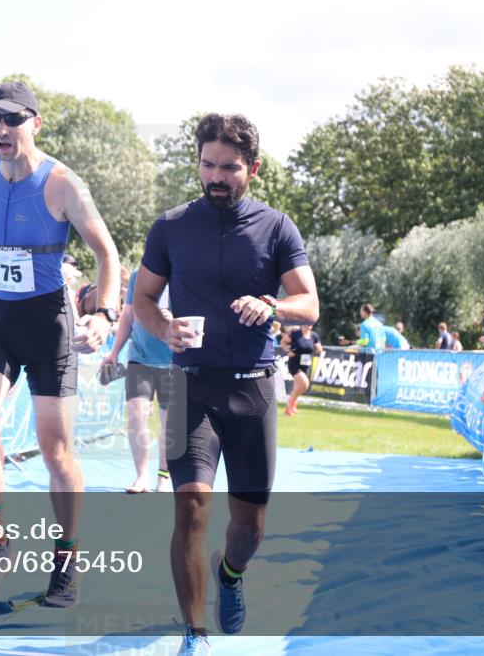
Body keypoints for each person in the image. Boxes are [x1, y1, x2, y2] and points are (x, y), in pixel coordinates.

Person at [133, 113, 318, 654]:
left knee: (249, 529)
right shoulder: (170, 225)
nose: (216, 176)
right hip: (190, 386)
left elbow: (308, 303)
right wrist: (165, 327)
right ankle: (195, 635)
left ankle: (231, 574)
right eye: (208, 164)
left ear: (252, 169)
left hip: (255, 391)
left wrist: (273, 306)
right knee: (190, 505)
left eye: (229, 168)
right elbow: (141, 299)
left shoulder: (277, 226)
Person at [0, 81, 120, 608]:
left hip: (48, 324)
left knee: (56, 449)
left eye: (13, 120)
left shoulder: (63, 183)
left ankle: (66, 557)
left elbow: (109, 256)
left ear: (34, 123)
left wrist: (105, 315)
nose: (2, 129)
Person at [100, 266, 173, 493]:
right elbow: (128, 315)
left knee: (169, 424)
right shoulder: (137, 276)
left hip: (174, 362)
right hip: (139, 359)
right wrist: (113, 352)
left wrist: (174, 318)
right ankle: (141, 477)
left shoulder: (185, 272)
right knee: (136, 415)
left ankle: (164, 477)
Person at [281, 324, 323, 416]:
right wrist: (288, 351)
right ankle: (291, 402)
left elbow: (318, 348)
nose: (309, 325)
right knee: (305, 384)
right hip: (294, 363)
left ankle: (290, 408)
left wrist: (319, 350)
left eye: (311, 323)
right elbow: (283, 342)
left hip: (306, 364)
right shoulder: (295, 334)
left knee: (298, 387)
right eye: (307, 323)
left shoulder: (314, 336)